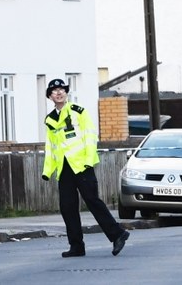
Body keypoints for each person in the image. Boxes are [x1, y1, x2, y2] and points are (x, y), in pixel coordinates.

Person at [42, 78, 130, 258]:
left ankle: (117, 234)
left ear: (66, 93)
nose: (58, 93)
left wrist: (89, 160)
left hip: (82, 164)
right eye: (54, 91)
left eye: (62, 90)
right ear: (50, 96)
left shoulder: (78, 112)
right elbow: (50, 147)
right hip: (64, 168)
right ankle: (76, 246)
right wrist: (47, 170)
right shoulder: (50, 119)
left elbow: (90, 135)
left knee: (92, 201)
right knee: (67, 207)